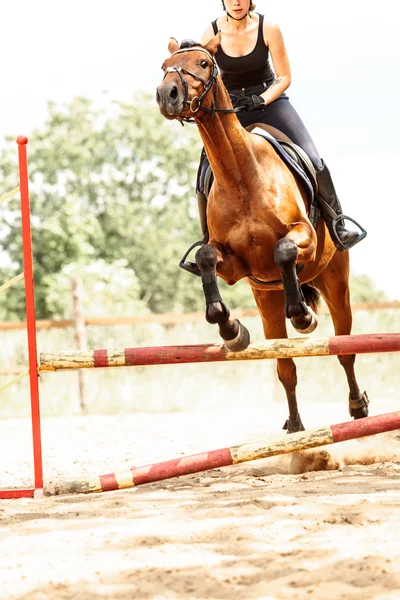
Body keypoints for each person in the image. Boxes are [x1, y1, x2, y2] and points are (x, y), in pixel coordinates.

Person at [183, 0, 366, 266]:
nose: (236, 2)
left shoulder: (268, 27)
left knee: (313, 158)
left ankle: (338, 224)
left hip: (270, 102)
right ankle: (206, 239)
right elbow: (204, 74)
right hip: (231, 108)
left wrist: (261, 99)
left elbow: (284, 77)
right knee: (205, 169)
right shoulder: (210, 33)